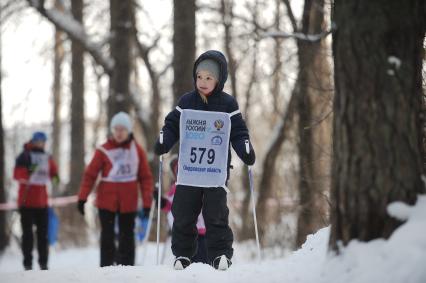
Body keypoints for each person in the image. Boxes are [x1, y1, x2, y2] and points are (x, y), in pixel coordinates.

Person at [154, 50, 255, 270]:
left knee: (216, 214)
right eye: (199, 77)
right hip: (188, 170)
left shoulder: (228, 105)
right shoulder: (186, 101)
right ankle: (183, 255)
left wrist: (244, 148)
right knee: (183, 213)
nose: (203, 82)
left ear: (219, 80)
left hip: (214, 173)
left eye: (208, 78)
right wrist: (164, 140)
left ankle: (220, 255)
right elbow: (172, 125)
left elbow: (238, 132)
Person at [77, 112, 153, 267]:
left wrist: (146, 203)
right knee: (107, 236)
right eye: (116, 129)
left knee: (127, 237)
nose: (119, 133)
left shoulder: (137, 151)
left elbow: (145, 178)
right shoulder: (103, 150)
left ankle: (128, 269)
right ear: (112, 130)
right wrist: (82, 197)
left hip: (128, 201)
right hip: (106, 201)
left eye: (122, 129)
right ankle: (106, 268)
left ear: (129, 131)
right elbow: (90, 175)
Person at [13, 131, 59, 270]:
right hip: (26, 202)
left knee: (43, 236)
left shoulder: (47, 157)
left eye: (43, 141)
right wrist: (30, 170)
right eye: (38, 141)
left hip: (42, 203)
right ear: (32, 141)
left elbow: (54, 174)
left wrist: (56, 180)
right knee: (27, 235)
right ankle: (27, 264)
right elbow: (17, 175)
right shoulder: (24, 156)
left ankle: (43, 264)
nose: (40, 143)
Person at [155, 156, 208, 264]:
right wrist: (160, 201)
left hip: (201, 231)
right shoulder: (175, 188)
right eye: (177, 171)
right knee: (186, 261)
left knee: (202, 262)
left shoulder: (201, 183)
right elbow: (170, 205)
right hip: (184, 232)